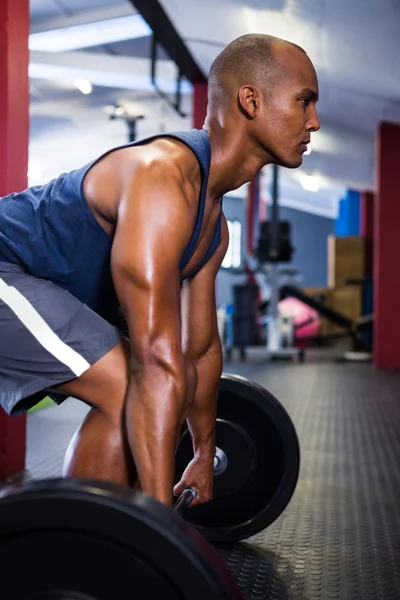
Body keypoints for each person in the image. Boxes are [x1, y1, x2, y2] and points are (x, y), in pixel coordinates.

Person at [0, 33, 320, 507]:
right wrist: (162, 529)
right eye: (304, 101)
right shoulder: (163, 178)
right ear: (250, 100)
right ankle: (82, 550)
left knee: (164, 380)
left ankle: (95, 555)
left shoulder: (211, 227)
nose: (314, 122)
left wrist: (204, 453)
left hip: (30, 288)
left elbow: (200, 350)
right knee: (132, 382)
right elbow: (154, 363)